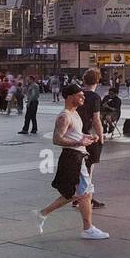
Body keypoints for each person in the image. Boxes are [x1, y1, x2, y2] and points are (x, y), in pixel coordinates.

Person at [35, 83, 109, 240]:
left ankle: (45, 213)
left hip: (78, 156)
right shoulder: (64, 116)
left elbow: (74, 134)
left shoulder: (75, 114)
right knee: (83, 193)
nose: (83, 97)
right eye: (80, 95)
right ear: (70, 97)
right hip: (72, 157)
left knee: (82, 193)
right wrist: (79, 143)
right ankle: (87, 228)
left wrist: (85, 137)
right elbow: (57, 139)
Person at [80, 67, 107, 208]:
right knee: (89, 167)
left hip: (78, 135)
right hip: (91, 136)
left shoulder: (78, 95)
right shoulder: (95, 97)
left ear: (84, 80)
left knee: (82, 167)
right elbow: (96, 119)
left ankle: (78, 197)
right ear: (98, 80)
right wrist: (101, 136)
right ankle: (86, 198)